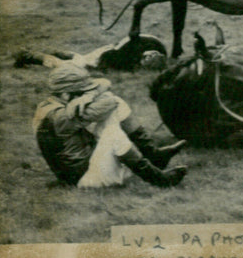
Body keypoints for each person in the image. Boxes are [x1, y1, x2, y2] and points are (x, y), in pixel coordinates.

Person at [33, 63, 187, 188]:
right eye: (81, 92)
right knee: (113, 131)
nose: (83, 95)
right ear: (66, 94)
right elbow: (109, 100)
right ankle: (159, 179)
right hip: (84, 180)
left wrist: (88, 95)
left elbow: (104, 83)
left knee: (115, 109)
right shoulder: (60, 116)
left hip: (84, 168)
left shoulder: (50, 105)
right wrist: (91, 95)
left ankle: (152, 154)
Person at [15, 34, 168, 72]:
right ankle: (29, 56)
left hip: (109, 50)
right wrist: (98, 68)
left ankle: (49, 52)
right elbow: (108, 59)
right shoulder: (131, 49)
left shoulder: (156, 46)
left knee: (79, 57)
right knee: (71, 65)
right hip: (105, 55)